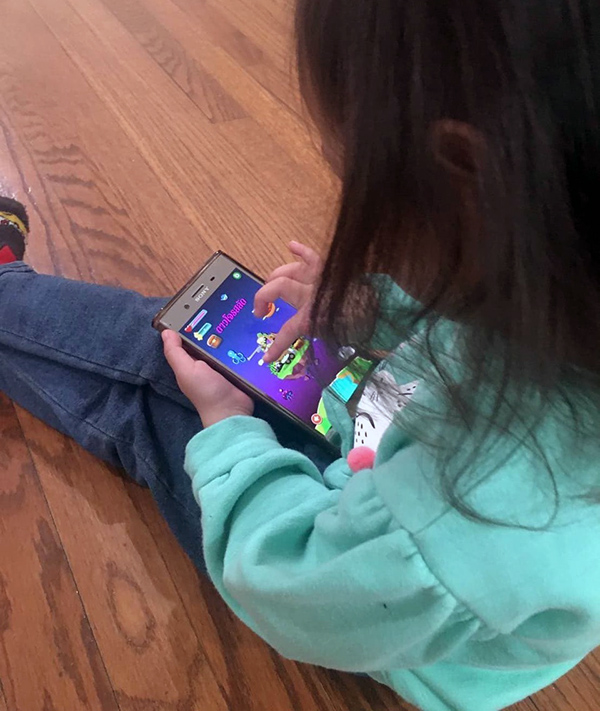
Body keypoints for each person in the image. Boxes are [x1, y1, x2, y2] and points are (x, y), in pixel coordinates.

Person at [1, 0, 600, 708]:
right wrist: (382, 308)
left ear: (468, 179)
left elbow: (289, 577)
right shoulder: (569, 292)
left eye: (348, 172)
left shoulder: (461, 514)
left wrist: (228, 430)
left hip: (358, 583)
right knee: (206, 352)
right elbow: (488, 324)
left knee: (154, 370)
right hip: (411, 513)